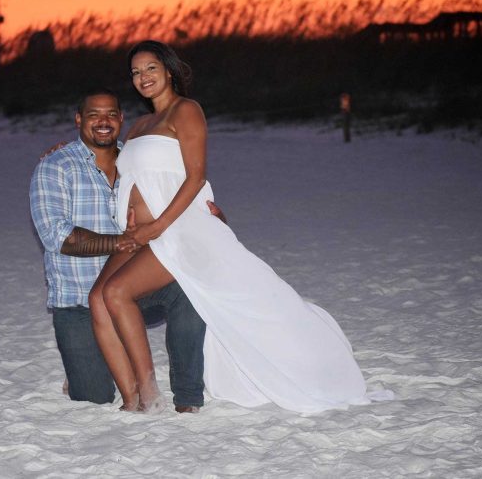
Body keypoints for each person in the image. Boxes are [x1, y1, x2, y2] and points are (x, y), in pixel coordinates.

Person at [90, 40, 375, 414]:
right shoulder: (140, 125)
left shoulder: (186, 111)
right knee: (97, 298)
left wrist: (156, 227)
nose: (142, 77)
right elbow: (120, 165)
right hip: (140, 235)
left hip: (175, 231)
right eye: (136, 72)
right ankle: (130, 395)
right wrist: (60, 152)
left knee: (116, 293)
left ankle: (148, 394)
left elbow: (194, 178)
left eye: (150, 69)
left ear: (169, 71)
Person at [29, 88, 212, 413]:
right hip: (78, 303)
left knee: (187, 289)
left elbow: (178, 189)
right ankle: (83, 366)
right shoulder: (55, 167)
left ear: (121, 119)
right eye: (94, 114)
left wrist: (213, 214)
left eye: (111, 114)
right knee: (94, 396)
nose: (103, 122)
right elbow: (59, 237)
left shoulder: (137, 158)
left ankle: (187, 397)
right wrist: (121, 242)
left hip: (133, 292)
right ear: (78, 120)